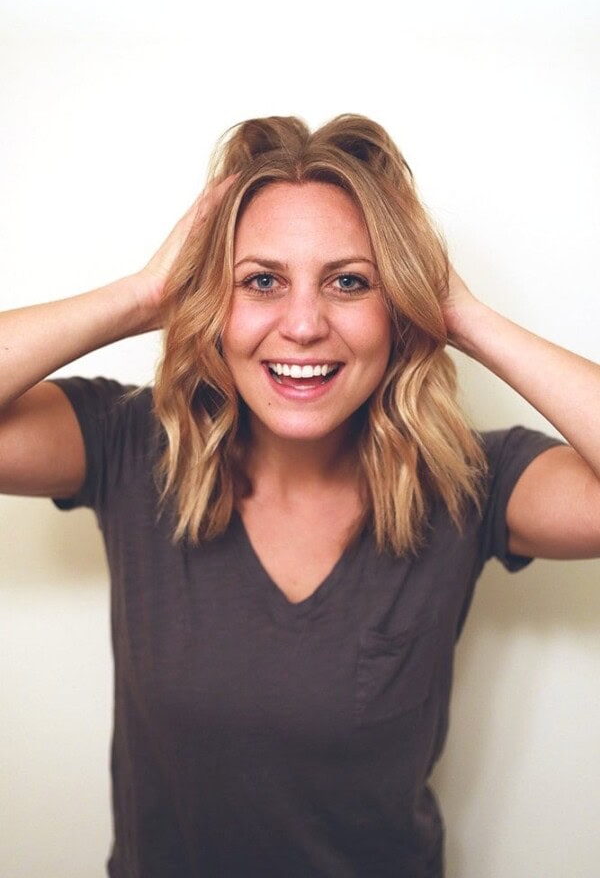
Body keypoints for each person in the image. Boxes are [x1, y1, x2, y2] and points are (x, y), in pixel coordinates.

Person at [1, 114, 599, 878]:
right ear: (214, 305)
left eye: (350, 282)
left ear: (399, 310)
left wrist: (464, 318)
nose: (306, 324)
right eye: (262, 282)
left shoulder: (470, 485)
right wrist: (141, 294)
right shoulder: (131, 443)